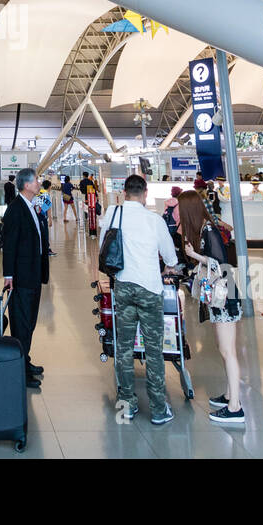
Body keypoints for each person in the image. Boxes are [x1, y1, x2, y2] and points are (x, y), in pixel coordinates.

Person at [102, 174, 180, 425]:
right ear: (145, 193)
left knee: (124, 348)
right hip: (149, 289)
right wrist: (168, 267)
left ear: (124, 192)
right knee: (154, 350)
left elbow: (104, 247)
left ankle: (126, 405)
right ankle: (158, 409)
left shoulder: (114, 215)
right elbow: (170, 258)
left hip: (123, 287)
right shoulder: (153, 220)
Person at [179, 189, 245, 425]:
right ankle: (229, 395)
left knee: (228, 352)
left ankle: (235, 406)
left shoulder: (208, 230)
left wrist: (195, 255)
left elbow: (220, 262)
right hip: (220, 297)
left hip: (224, 297)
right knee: (222, 347)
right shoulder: (203, 229)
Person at [1, 167, 47, 388]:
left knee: (29, 322)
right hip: (22, 276)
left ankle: (25, 361)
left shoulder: (30, 207)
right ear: (27, 185)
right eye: (36, 180)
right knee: (21, 323)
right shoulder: (15, 209)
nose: (39, 183)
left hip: (33, 273)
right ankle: (20, 369)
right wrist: (8, 275)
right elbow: (9, 246)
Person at [34, 179, 56, 256]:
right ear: (49, 187)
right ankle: (47, 250)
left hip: (35, 215)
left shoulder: (38, 192)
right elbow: (48, 207)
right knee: (45, 233)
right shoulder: (46, 194)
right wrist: (50, 219)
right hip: (42, 215)